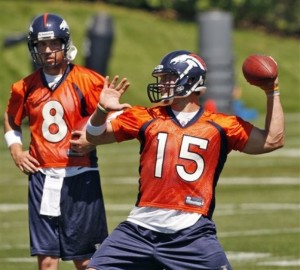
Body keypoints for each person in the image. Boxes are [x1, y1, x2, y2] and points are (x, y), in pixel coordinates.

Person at [85, 50, 284, 270]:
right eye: (162, 78)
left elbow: (273, 140)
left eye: (169, 77)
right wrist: (102, 110)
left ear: (190, 80)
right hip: (140, 227)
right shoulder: (147, 117)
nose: (162, 84)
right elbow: (94, 136)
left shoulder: (222, 125)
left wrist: (271, 91)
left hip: (191, 231)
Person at [2, 13, 122, 270]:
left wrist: (95, 141)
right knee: (46, 261)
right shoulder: (23, 87)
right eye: (40, 45)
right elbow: (11, 118)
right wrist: (16, 150)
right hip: (42, 177)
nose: (47, 50)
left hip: (80, 175)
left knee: (87, 260)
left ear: (65, 44)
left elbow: (122, 120)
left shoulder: (88, 81)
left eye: (53, 43)